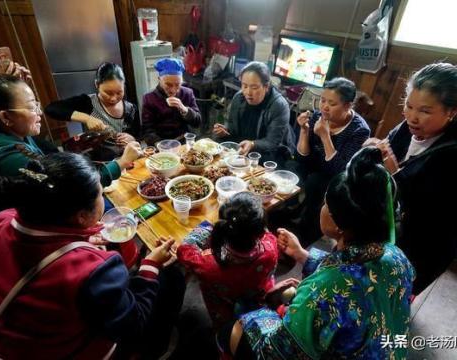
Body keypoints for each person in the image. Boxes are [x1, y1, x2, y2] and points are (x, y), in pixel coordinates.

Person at [0, 152, 185, 359]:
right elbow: (132, 323)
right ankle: (151, 350)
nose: (102, 197)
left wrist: (79, 240)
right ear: (82, 216)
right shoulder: (90, 270)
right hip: (74, 351)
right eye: (100, 194)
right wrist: (150, 264)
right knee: (172, 278)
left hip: (10, 345)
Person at [218, 147, 415, 360]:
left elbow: (281, 351)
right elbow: (354, 273)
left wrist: (258, 315)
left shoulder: (323, 292)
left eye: (325, 203)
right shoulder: (395, 256)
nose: (322, 207)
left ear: (338, 223)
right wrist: (302, 254)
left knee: (232, 329)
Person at [0, 74, 142, 226]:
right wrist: (122, 162)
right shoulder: (10, 156)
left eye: (36, 104)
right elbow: (74, 191)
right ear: (6, 117)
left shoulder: (13, 134)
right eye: (31, 107)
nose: (39, 111)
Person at [364, 62, 457, 294]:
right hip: (388, 230)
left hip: (424, 245)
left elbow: (432, 215)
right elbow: (385, 151)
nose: (412, 117)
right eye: (409, 106)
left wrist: (395, 174)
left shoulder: (451, 152)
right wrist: (373, 149)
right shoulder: (407, 127)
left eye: (425, 111)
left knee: (395, 295)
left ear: (451, 112)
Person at [177, 192, 278, 328]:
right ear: (260, 232)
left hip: (223, 306)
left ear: (223, 228)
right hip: (258, 296)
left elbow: (184, 251)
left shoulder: (208, 264)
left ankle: (224, 332)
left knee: (224, 323)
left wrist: (206, 227)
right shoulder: (271, 246)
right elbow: (267, 233)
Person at [289, 77, 370, 246]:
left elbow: (342, 171)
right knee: (290, 167)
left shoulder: (359, 130)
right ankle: (290, 213)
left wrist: (325, 136)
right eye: (323, 100)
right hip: (313, 167)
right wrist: (304, 131)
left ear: (348, 106)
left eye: (331, 104)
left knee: (315, 183)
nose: (324, 107)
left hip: (333, 176)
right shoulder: (318, 116)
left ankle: (306, 236)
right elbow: (301, 158)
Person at [44, 62, 140, 158]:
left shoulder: (130, 109)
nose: (113, 98)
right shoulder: (87, 102)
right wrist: (87, 119)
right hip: (100, 163)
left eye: (119, 92)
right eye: (108, 93)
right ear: (97, 85)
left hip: (127, 161)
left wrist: (132, 138)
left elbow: (139, 136)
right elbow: (51, 108)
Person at [212, 61, 296, 163]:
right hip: (244, 143)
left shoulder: (279, 105)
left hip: (270, 150)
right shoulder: (239, 97)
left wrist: (252, 144)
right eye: (244, 86)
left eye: (254, 87)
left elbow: (272, 142)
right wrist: (225, 130)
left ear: (266, 86)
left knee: (263, 160)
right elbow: (232, 126)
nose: (248, 92)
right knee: (218, 146)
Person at [141, 57, 201, 145]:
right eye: (168, 85)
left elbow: (197, 122)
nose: (173, 90)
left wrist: (184, 110)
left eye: (178, 85)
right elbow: (147, 131)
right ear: (159, 80)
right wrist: (162, 145)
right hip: (161, 143)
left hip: (183, 141)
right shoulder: (149, 98)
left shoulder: (187, 93)